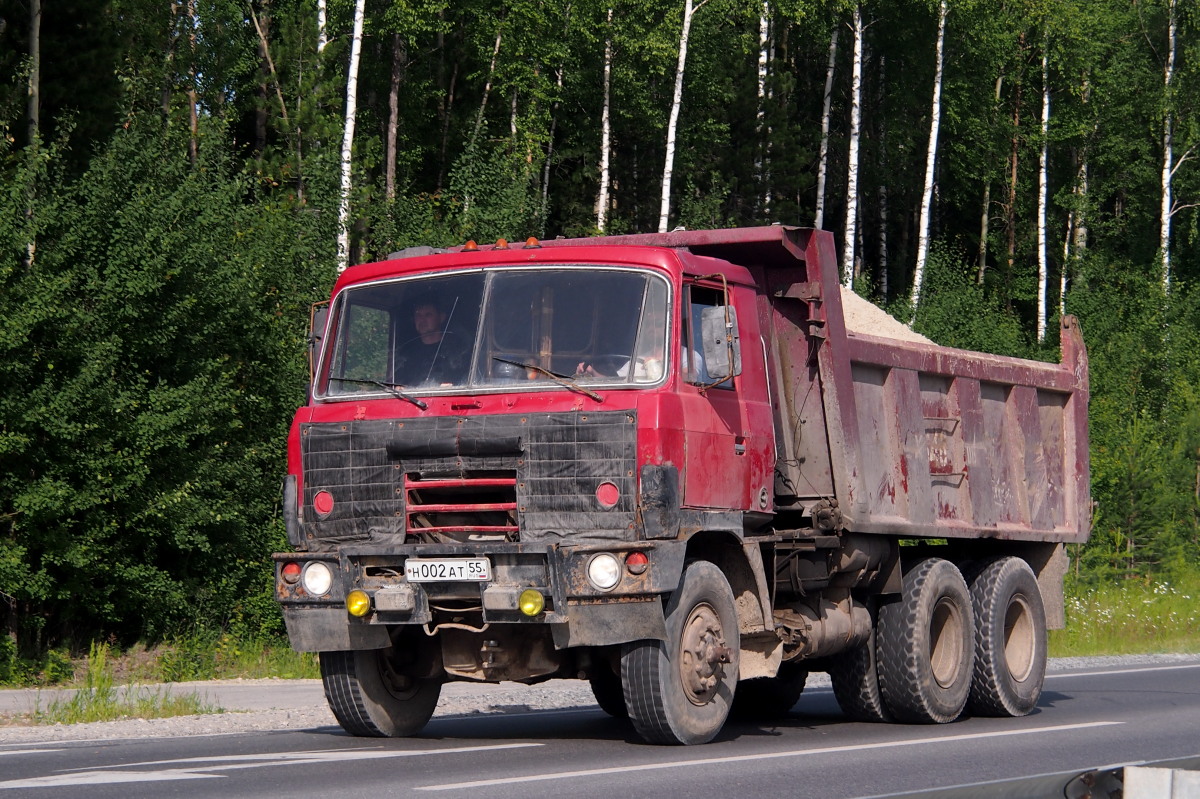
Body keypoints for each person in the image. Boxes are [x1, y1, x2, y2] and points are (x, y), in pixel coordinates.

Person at [394, 299, 470, 386]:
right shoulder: (405, 353)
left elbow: (465, 383)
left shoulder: (457, 351)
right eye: (418, 315)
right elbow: (398, 383)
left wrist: (452, 387)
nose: (422, 320)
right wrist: (399, 387)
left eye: (428, 315)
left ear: (441, 317)